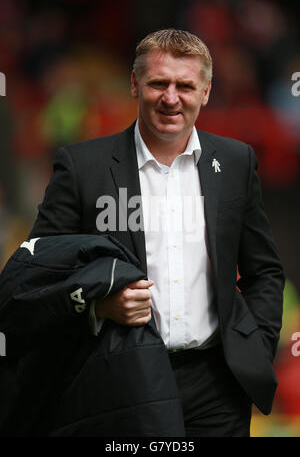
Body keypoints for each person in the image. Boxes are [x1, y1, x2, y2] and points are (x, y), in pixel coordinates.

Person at [28, 29, 284, 437]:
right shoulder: (82, 168)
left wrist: (255, 343)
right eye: (158, 83)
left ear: (206, 91)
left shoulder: (236, 161)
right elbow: (35, 277)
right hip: (120, 379)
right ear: (134, 84)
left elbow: (265, 271)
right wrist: (97, 308)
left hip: (217, 387)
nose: (171, 97)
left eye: (185, 85)